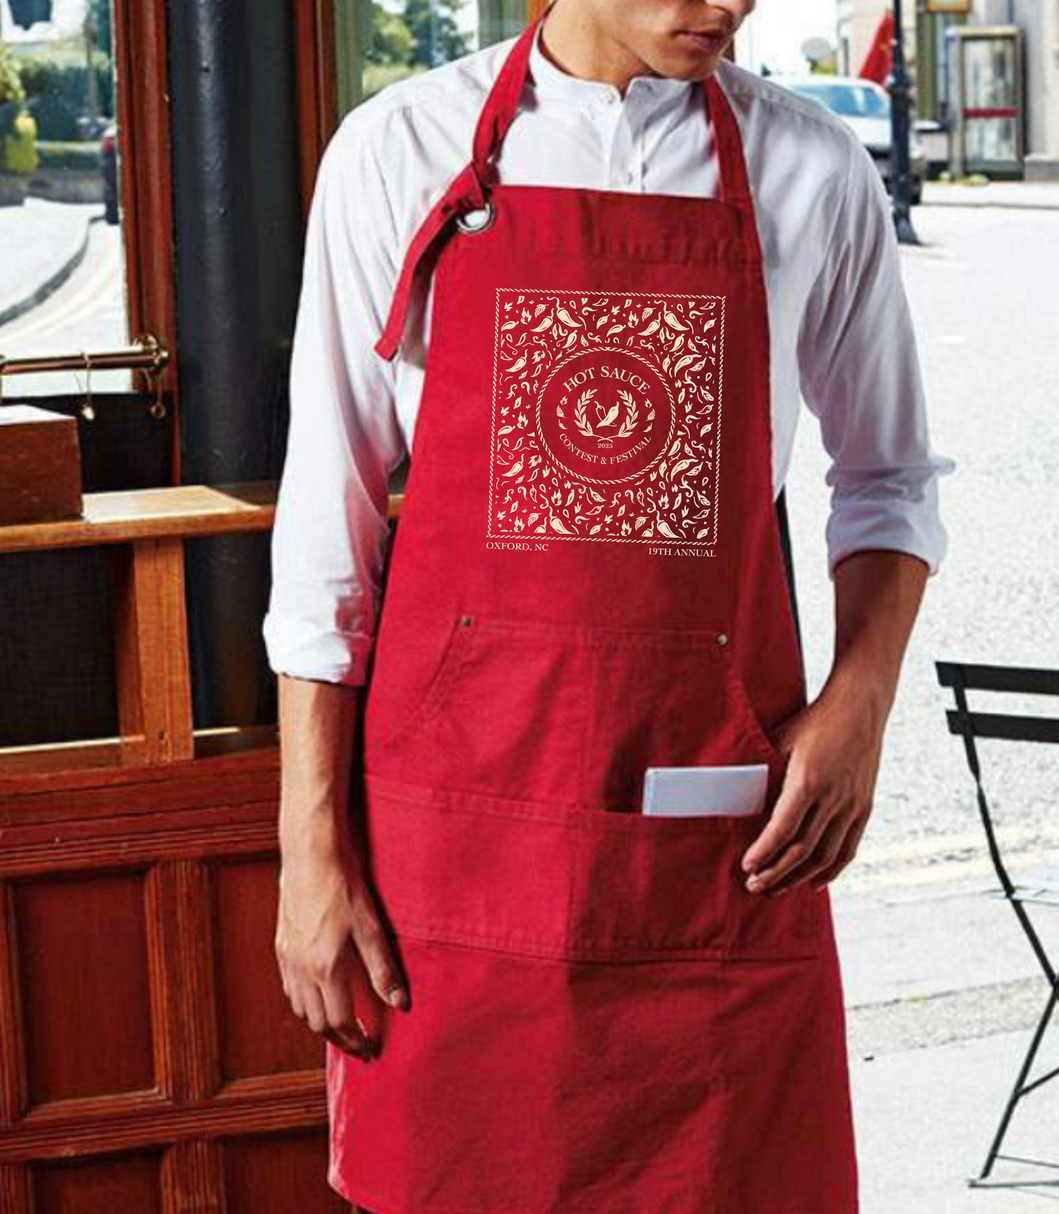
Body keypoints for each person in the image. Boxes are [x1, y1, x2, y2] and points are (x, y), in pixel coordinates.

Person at [265, 2, 955, 1211]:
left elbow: (886, 477)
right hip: (455, 843)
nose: (726, 4)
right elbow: (330, 533)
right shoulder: (399, 151)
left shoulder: (809, 168)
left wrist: (859, 703)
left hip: (709, 850)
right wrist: (308, 849)